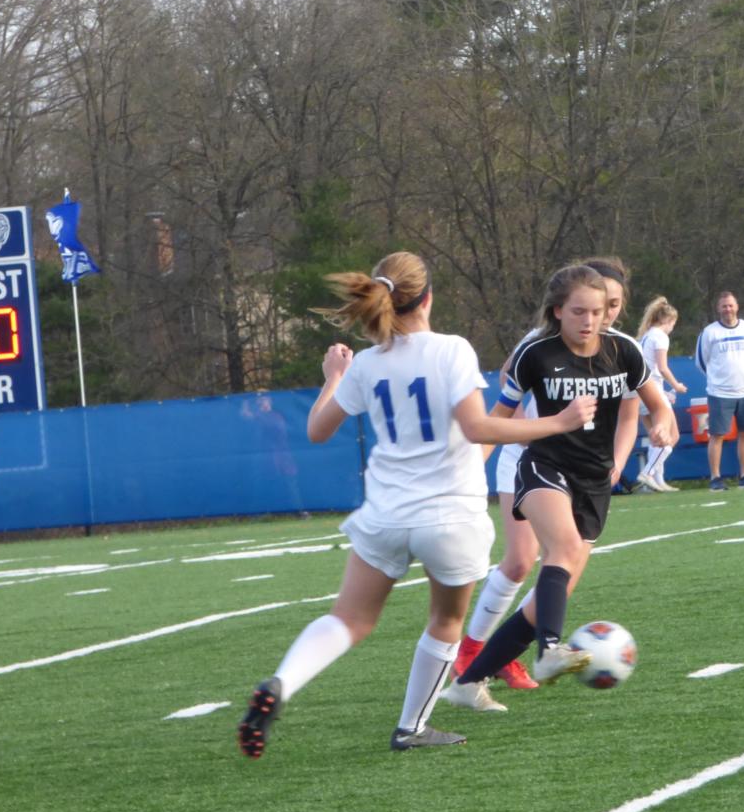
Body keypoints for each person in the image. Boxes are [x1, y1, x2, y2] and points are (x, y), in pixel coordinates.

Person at [235, 252, 597, 758]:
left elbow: (317, 430)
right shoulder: (450, 349)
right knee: (446, 622)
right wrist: (557, 422)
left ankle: (282, 683)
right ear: (428, 297)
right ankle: (411, 726)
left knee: (350, 618)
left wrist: (333, 375)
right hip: (451, 514)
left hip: (385, 512)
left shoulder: (366, 362)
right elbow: (477, 428)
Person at [444, 264, 677, 713]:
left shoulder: (624, 350)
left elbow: (655, 407)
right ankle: (550, 651)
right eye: (579, 312)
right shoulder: (536, 353)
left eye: (599, 311)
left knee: (547, 598)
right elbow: (498, 417)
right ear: (558, 312)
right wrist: (472, 469)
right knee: (561, 550)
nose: (591, 320)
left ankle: (468, 682)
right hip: (543, 466)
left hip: (594, 479)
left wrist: (664, 425)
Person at [694, 291, 744, 489]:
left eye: (731, 305)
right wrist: (718, 380)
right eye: (724, 306)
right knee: (717, 435)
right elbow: (701, 361)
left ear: (737, 306)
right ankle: (715, 478)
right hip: (720, 392)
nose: (727, 309)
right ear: (718, 309)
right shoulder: (709, 332)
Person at [634, 296, 685, 493]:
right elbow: (662, 368)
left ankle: (658, 480)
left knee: (656, 437)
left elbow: (648, 368)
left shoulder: (646, 335)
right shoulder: (660, 337)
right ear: (669, 321)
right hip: (653, 391)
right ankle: (647, 473)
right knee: (671, 436)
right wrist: (676, 386)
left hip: (642, 392)